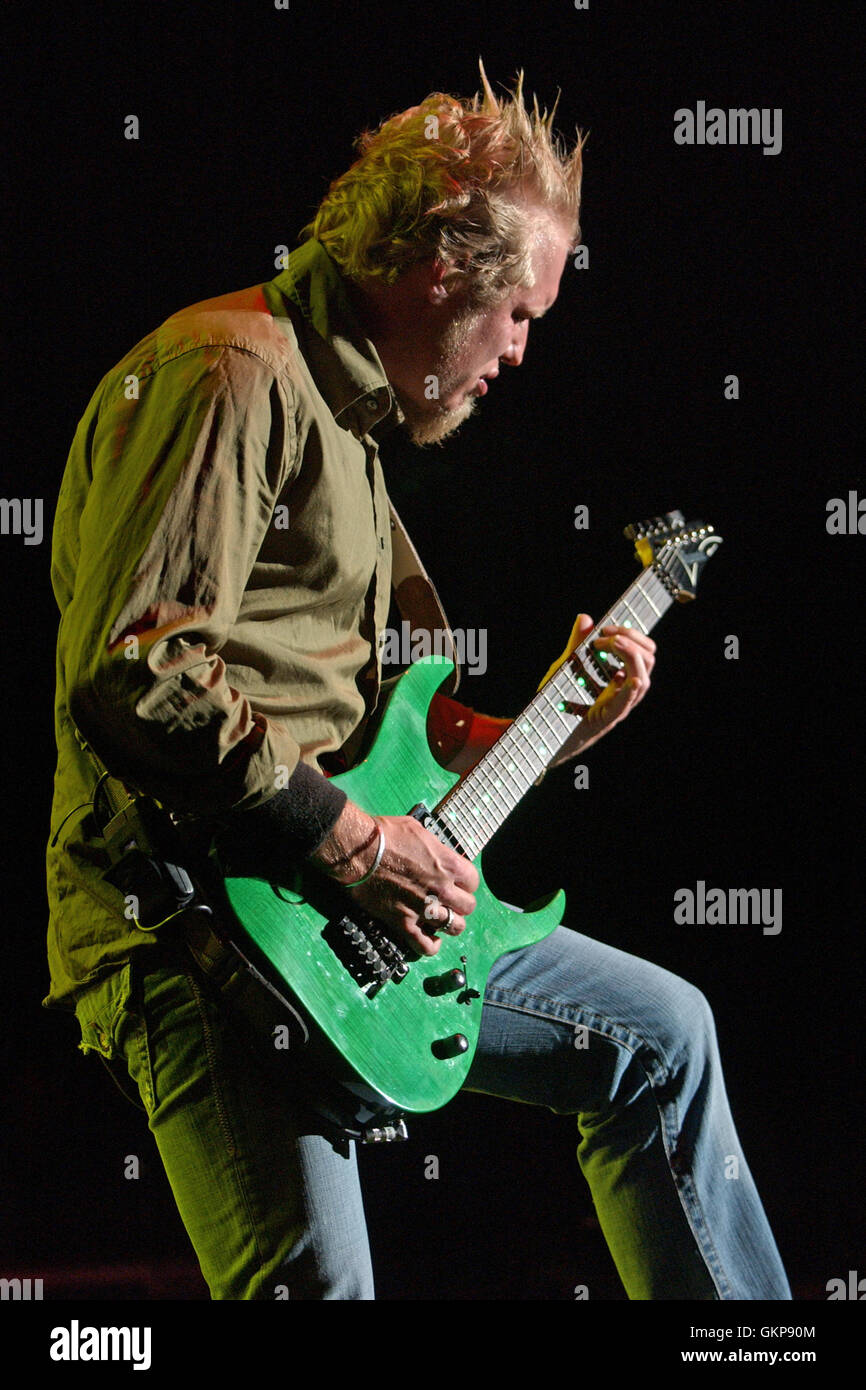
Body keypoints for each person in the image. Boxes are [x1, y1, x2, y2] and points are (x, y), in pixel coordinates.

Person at [46, 65, 791, 1300]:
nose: (518, 350)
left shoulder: (349, 431)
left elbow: (382, 749)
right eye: (518, 313)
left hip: (337, 916)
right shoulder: (228, 371)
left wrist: (547, 725)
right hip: (199, 933)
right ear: (444, 266)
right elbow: (139, 672)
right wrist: (349, 843)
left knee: (663, 1037)